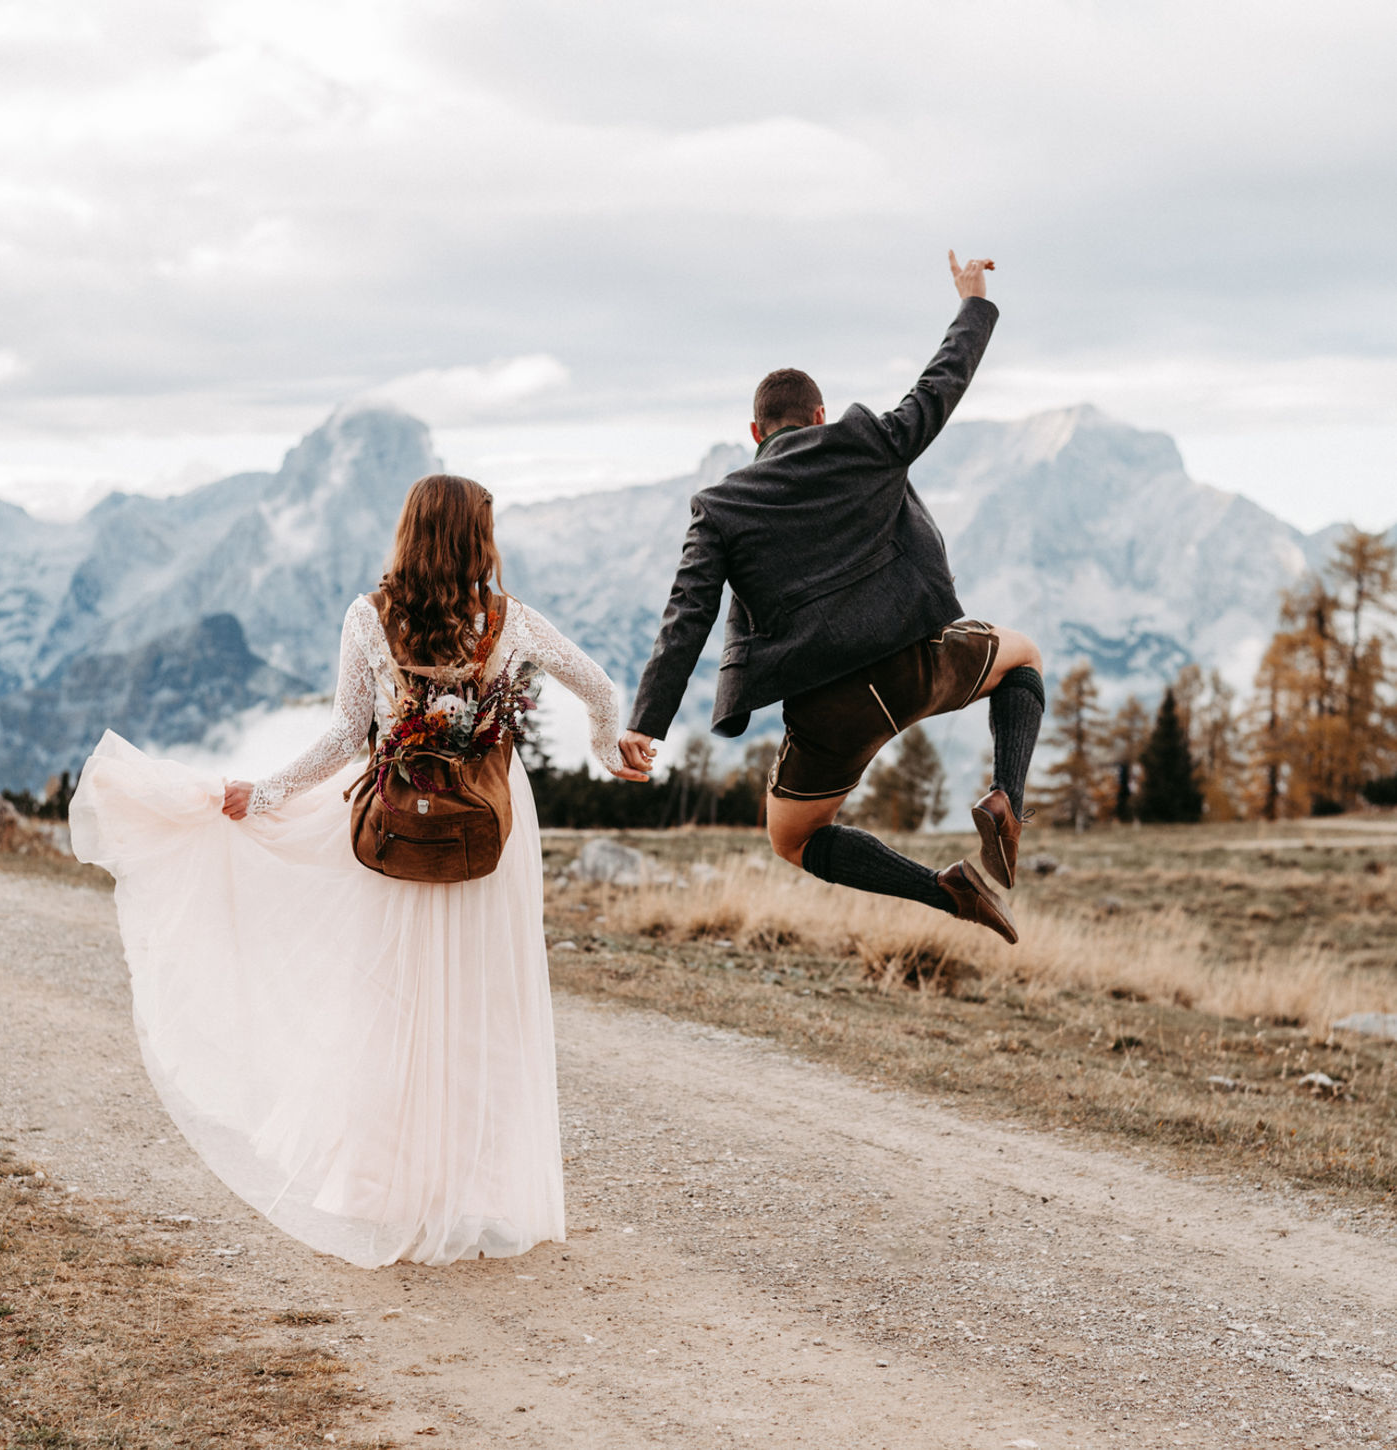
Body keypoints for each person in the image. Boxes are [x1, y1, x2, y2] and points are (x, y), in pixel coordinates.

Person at [71, 473, 644, 1269]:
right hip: (487, 832)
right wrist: (607, 749)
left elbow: (347, 733)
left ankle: (393, 1190)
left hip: (401, 827)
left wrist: (265, 793)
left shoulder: (369, 618)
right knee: (483, 1012)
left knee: (395, 1003)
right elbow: (599, 687)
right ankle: (476, 1190)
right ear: (477, 538)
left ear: (411, 533)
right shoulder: (511, 621)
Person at [619, 252, 1043, 942]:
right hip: (922, 663)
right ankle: (1008, 802)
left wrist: (646, 724)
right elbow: (940, 385)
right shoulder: (864, 439)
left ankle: (948, 892)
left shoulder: (719, 505)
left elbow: (686, 617)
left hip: (831, 711)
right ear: (818, 415)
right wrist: (972, 301)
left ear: (756, 433)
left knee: (792, 839)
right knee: (1022, 657)